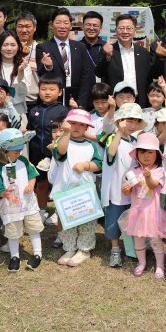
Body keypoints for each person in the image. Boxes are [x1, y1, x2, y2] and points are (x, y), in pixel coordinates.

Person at [51, 111, 103, 267]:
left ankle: (84, 249)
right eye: (73, 123)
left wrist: (86, 165)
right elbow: (60, 152)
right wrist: (65, 133)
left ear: (87, 127)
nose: (76, 127)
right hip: (65, 191)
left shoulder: (91, 145)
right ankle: (69, 247)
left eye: (81, 124)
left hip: (85, 191)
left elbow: (98, 165)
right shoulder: (61, 141)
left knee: (87, 222)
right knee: (68, 222)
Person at [0, 128, 42, 272]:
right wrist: (5, 194)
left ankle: (37, 253)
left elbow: (32, 174)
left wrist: (31, 184)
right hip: (10, 207)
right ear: (4, 151)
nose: (19, 154)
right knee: (13, 231)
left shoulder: (23, 161)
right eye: (16, 152)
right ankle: (14, 256)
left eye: (20, 151)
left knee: (34, 227)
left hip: (28, 202)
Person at [102, 104, 146, 268]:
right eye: (129, 121)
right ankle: (115, 250)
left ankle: (132, 249)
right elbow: (111, 153)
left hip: (134, 189)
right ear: (120, 121)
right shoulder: (112, 138)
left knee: (132, 219)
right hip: (116, 188)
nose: (132, 125)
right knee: (114, 219)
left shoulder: (136, 141)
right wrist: (119, 132)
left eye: (136, 122)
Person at [123, 132, 166, 278]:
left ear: (156, 154)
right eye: (142, 152)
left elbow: (154, 185)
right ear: (136, 154)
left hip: (153, 211)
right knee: (138, 239)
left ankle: (160, 266)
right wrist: (125, 188)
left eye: (150, 152)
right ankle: (141, 263)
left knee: (156, 240)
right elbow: (128, 190)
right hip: (137, 211)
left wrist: (148, 177)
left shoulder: (159, 170)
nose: (146, 156)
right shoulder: (133, 171)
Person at [27, 73, 70, 214]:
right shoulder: (34, 110)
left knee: (59, 182)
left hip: (56, 154)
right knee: (41, 183)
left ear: (60, 92)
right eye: (44, 89)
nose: (47, 92)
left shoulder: (63, 110)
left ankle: (60, 211)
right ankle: (42, 210)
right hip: (37, 154)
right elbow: (30, 129)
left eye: (52, 89)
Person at [36, 7, 96, 108]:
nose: (62, 26)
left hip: (76, 97)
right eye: (58, 23)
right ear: (51, 25)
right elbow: (41, 74)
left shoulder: (80, 47)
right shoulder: (43, 47)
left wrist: (81, 103)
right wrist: (48, 67)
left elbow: (86, 76)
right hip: (53, 99)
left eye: (66, 23)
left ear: (71, 26)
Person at [95, 14, 154, 107]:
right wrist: (107, 56)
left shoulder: (143, 52)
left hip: (139, 102)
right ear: (116, 30)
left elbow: (149, 78)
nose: (125, 32)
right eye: (121, 28)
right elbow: (99, 73)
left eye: (129, 28)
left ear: (134, 30)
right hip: (115, 103)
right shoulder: (108, 49)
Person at [0, 29, 30, 126]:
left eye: (13, 45)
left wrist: (21, 72)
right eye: (5, 45)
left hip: (17, 112)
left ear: (18, 47)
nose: (9, 48)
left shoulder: (24, 64)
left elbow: (24, 91)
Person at [14, 12, 40, 105]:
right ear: (16, 28)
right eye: (20, 26)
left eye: (28, 26)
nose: (24, 30)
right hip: (14, 101)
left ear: (35, 28)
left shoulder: (40, 50)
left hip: (35, 101)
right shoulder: (9, 49)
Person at [80, 11, 105, 82]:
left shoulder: (107, 47)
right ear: (82, 26)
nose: (91, 28)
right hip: (82, 90)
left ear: (100, 28)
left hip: (103, 89)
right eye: (88, 24)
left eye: (95, 25)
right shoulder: (76, 47)